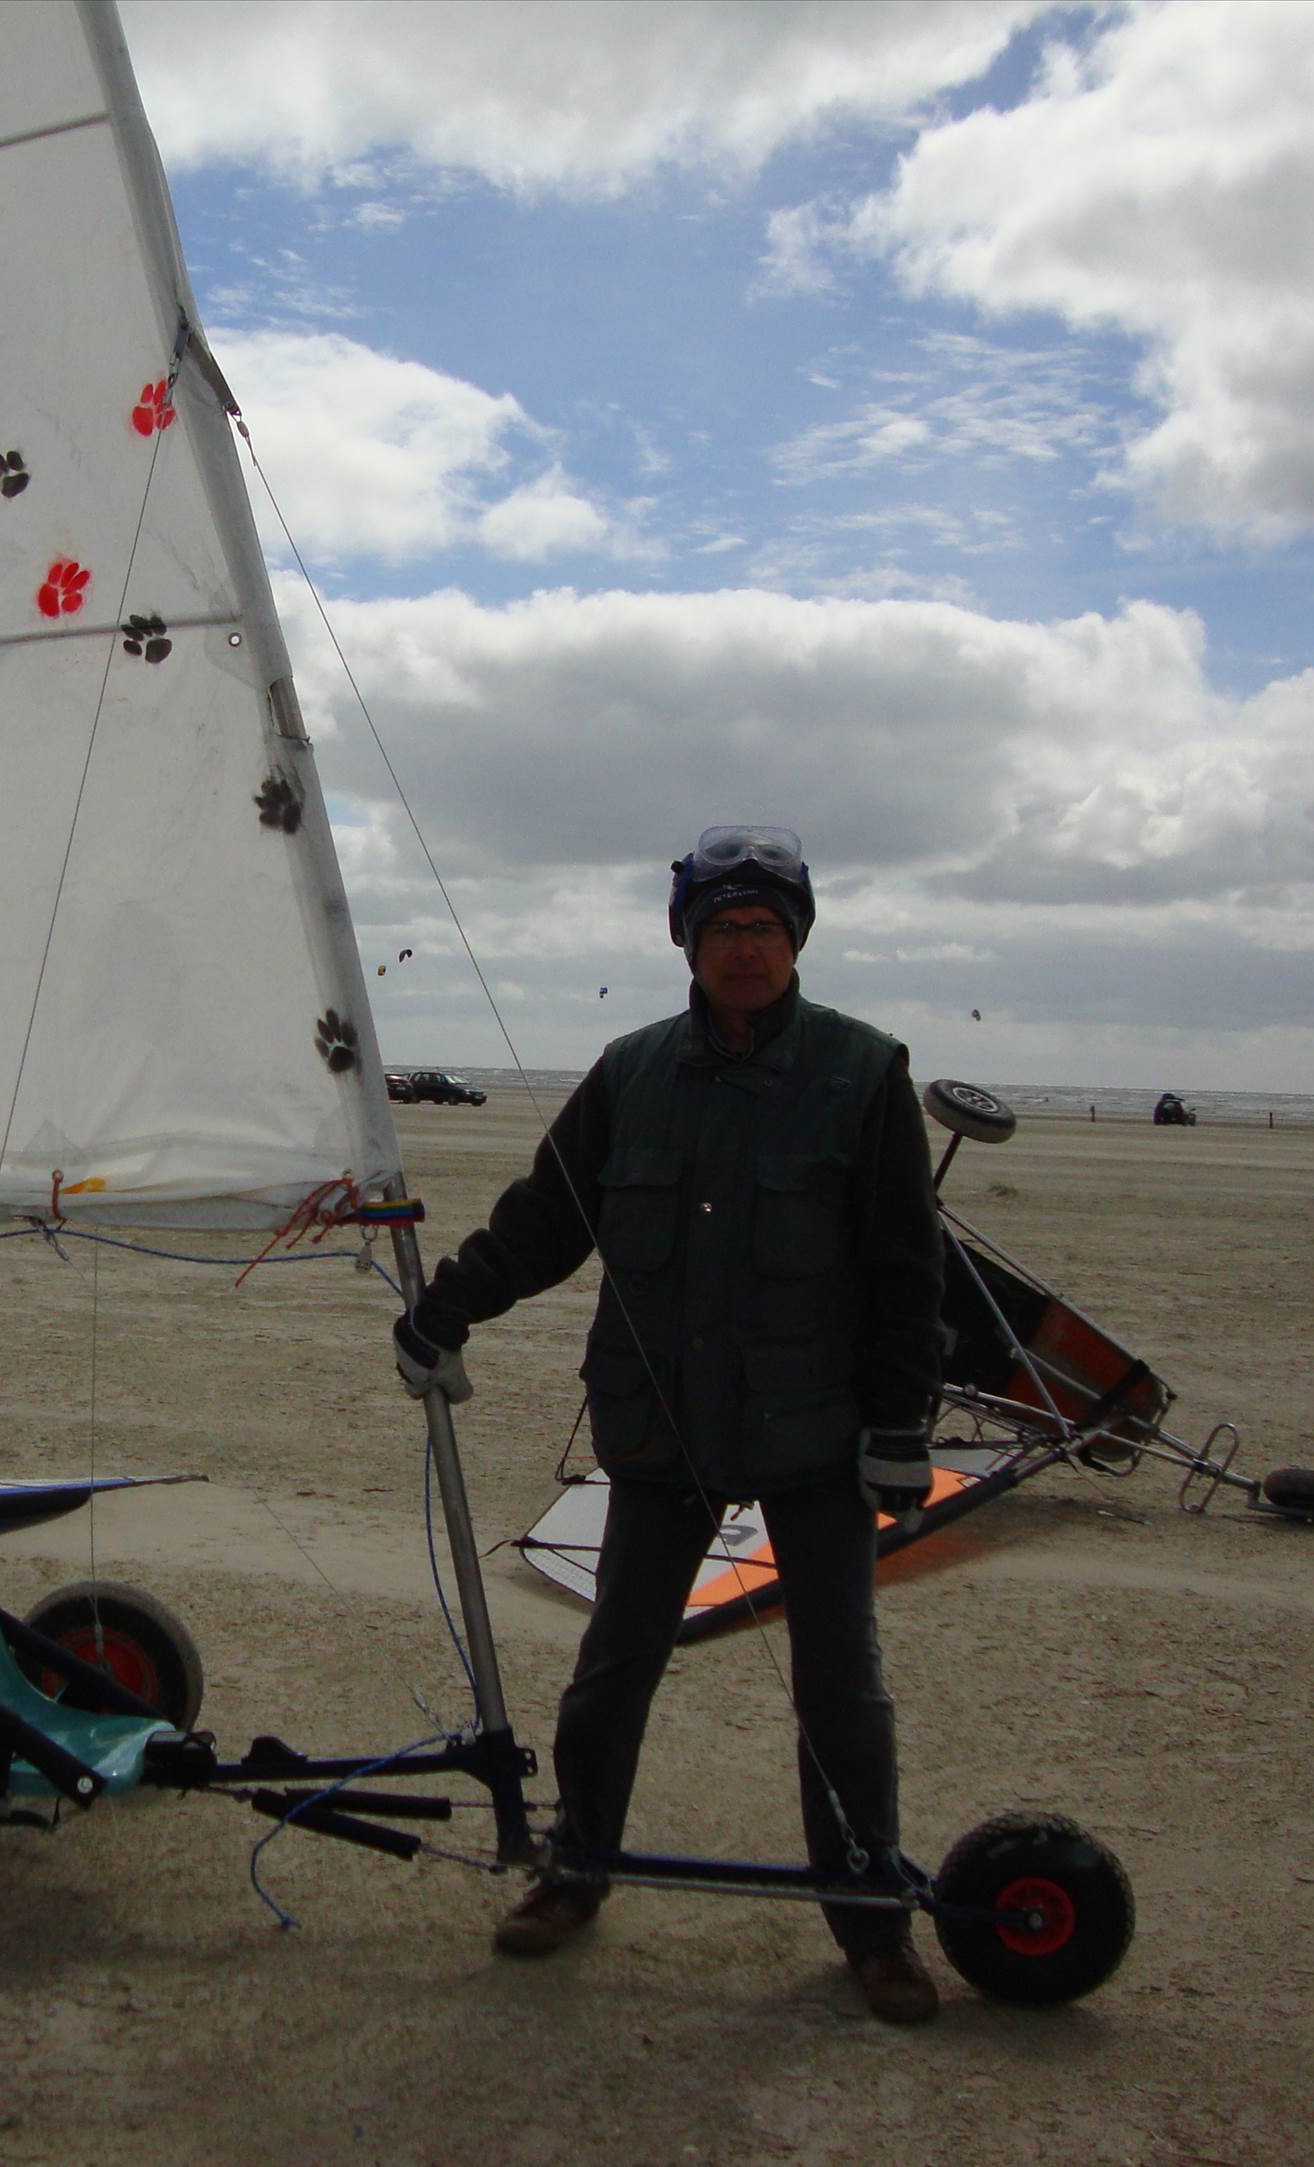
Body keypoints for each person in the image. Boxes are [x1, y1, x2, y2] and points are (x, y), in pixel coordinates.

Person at [390, 824, 948, 2024]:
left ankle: (870, 1921)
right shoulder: (631, 1071)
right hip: (660, 1432)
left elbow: (907, 1268)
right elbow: (547, 1218)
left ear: (796, 941)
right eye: (721, 928)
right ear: (686, 943)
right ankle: (575, 1871)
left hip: (816, 1436)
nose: (743, 949)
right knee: (610, 1670)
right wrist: (449, 1305)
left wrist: (901, 1423)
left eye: (764, 928)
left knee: (842, 1688)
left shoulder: (862, 1073)